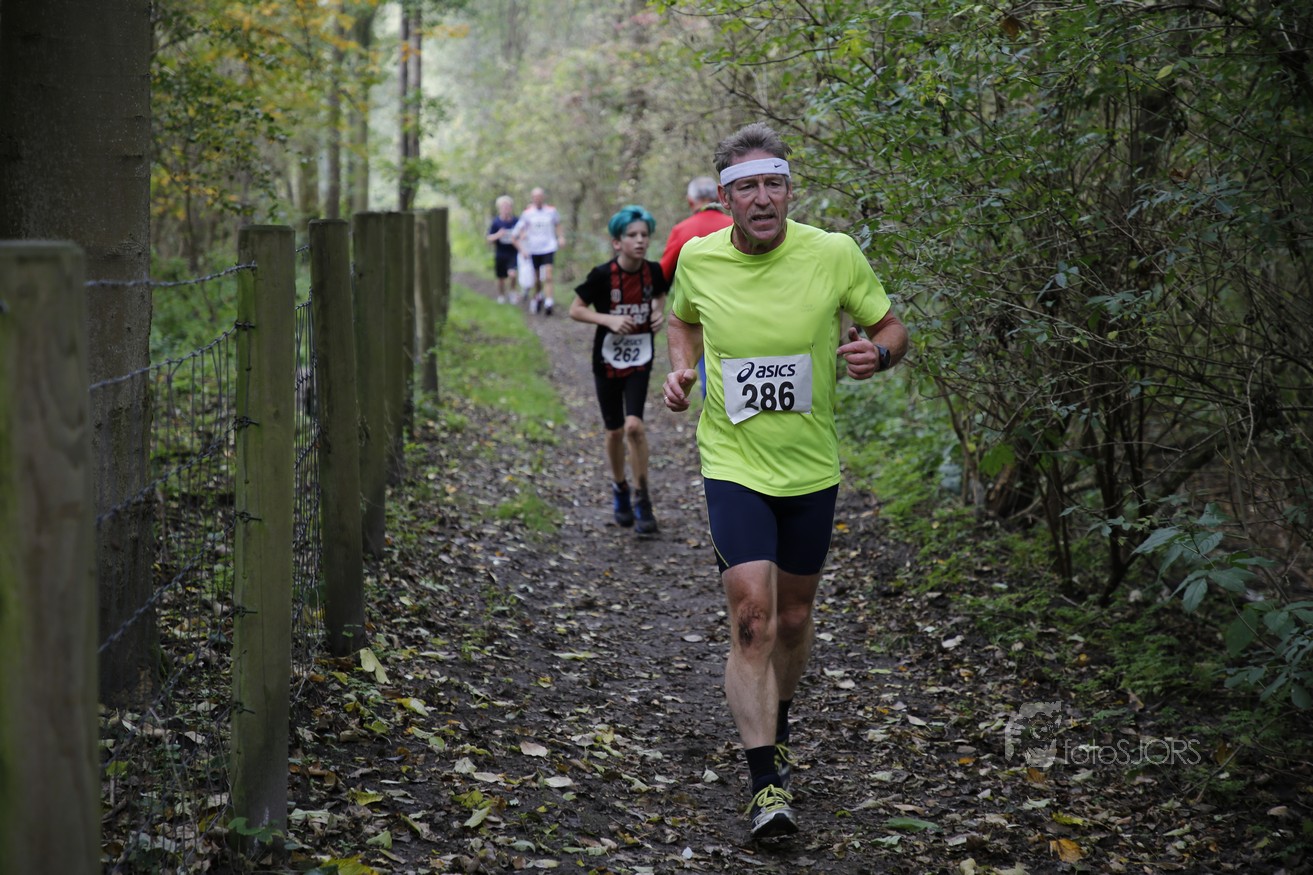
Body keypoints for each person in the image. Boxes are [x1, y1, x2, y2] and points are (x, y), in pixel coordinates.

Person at [661, 123, 909, 841]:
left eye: (774, 184)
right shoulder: (700, 259)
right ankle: (765, 781)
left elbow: (891, 328)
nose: (763, 198)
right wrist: (681, 370)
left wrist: (876, 355)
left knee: (793, 620)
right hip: (733, 462)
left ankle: (779, 718)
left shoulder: (833, 253)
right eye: (748, 187)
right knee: (753, 617)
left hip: (809, 466)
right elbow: (680, 323)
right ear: (725, 199)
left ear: (790, 191)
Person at [570, 205, 670, 536]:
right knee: (614, 431)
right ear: (617, 242)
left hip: (641, 358)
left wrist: (657, 312)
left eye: (644, 235)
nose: (640, 241)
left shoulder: (653, 271)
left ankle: (643, 496)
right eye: (632, 235)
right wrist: (608, 319)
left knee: (634, 426)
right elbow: (576, 309)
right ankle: (619, 486)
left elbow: (660, 295)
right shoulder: (602, 275)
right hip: (607, 360)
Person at [659, 175, 732, 396]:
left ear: (691, 201)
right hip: (740, 311)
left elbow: (663, 275)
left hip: (700, 318)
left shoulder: (683, 230)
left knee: (710, 380)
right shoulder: (736, 226)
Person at [519, 186, 566, 315]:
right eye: (535, 197)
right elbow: (521, 228)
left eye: (540, 196)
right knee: (537, 277)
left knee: (549, 274)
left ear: (543, 197)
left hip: (548, 246)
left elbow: (558, 224)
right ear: (532, 198)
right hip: (534, 248)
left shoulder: (551, 211)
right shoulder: (527, 213)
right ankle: (538, 295)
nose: (538, 199)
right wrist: (523, 237)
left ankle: (549, 301)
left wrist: (561, 237)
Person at [486, 195, 521, 304]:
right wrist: (498, 235)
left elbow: (523, 234)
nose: (506, 209)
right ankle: (501, 295)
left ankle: (512, 292)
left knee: (512, 274)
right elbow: (489, 239)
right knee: (501, 278)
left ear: (511, 208)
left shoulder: (516, 221)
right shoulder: (496, 222)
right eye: (503, 206)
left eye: (508, 206)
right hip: (500, 253)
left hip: (513, 253)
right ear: (499, 208)